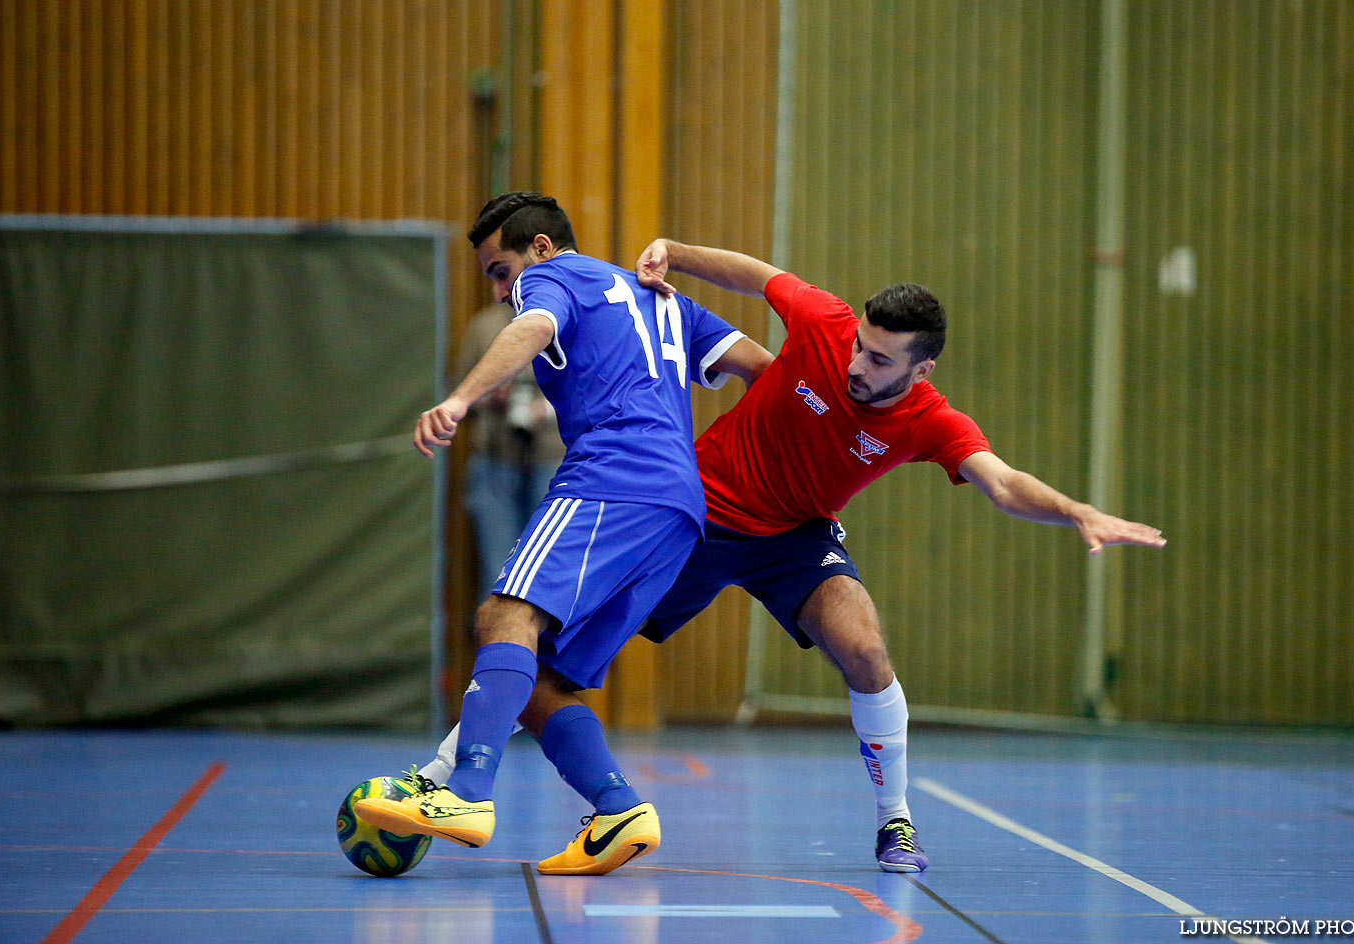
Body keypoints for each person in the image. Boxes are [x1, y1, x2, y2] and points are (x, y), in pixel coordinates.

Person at [413, 238, 1165, 875]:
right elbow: (751, 273)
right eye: (860, 345)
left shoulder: (930, 421)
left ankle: (895, 819)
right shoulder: (824, 323)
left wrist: (1075, 512)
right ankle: (440, 779)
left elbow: (1001, 484)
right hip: (695, 515)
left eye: (878, 360)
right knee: (547, 660)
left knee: (866, 649)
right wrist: (675, 251)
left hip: (797, 536)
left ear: (919, 371)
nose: (857, 364)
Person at [354, 194, 772, 877]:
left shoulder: (557, 278)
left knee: (503, 613)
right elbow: (767, 371)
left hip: (613, 478)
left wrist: (459, 399)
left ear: (543, 247)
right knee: (543, 682)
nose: (500, 288)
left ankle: (465, 796)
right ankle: (618, 811)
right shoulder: (664, 301)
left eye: (500, 269)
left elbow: (535, 324)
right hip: (679, 508)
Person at [455, 299, 565, 589]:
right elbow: (457, 395)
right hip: (494, 460)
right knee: (497, 571)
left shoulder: (566, 322)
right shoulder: (485, 326)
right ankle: (501, 634)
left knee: (547, 571)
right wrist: (488, 394)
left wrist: (545, 409)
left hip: (554, 463)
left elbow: (592, 393)